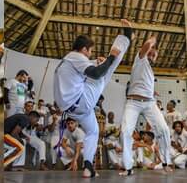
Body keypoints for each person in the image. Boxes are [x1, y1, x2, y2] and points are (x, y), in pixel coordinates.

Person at [53, 23, 131, 179]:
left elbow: (87, 68)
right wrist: (111, 56)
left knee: (93, 131)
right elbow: (96, 74)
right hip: (81, 102)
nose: (90, 55)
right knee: (108, 68)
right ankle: (126, 37)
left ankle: (88, 167)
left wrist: (96, 61)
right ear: (84, 50)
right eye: (90, 52)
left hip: (73, 108)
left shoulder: (68, 60)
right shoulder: (77, 57)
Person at [118, 34, 171, 176]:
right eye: (151, 53)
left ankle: (166, 162)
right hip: (133, 103)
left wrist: (152, 91)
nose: (152, 56)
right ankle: (128, 167)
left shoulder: (149, 70)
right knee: (125, 132)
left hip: (149, 103)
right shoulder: (140, 59)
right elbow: (146, 45)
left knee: (164, 129)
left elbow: (143, 82)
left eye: (155, 55)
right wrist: (152, 40)